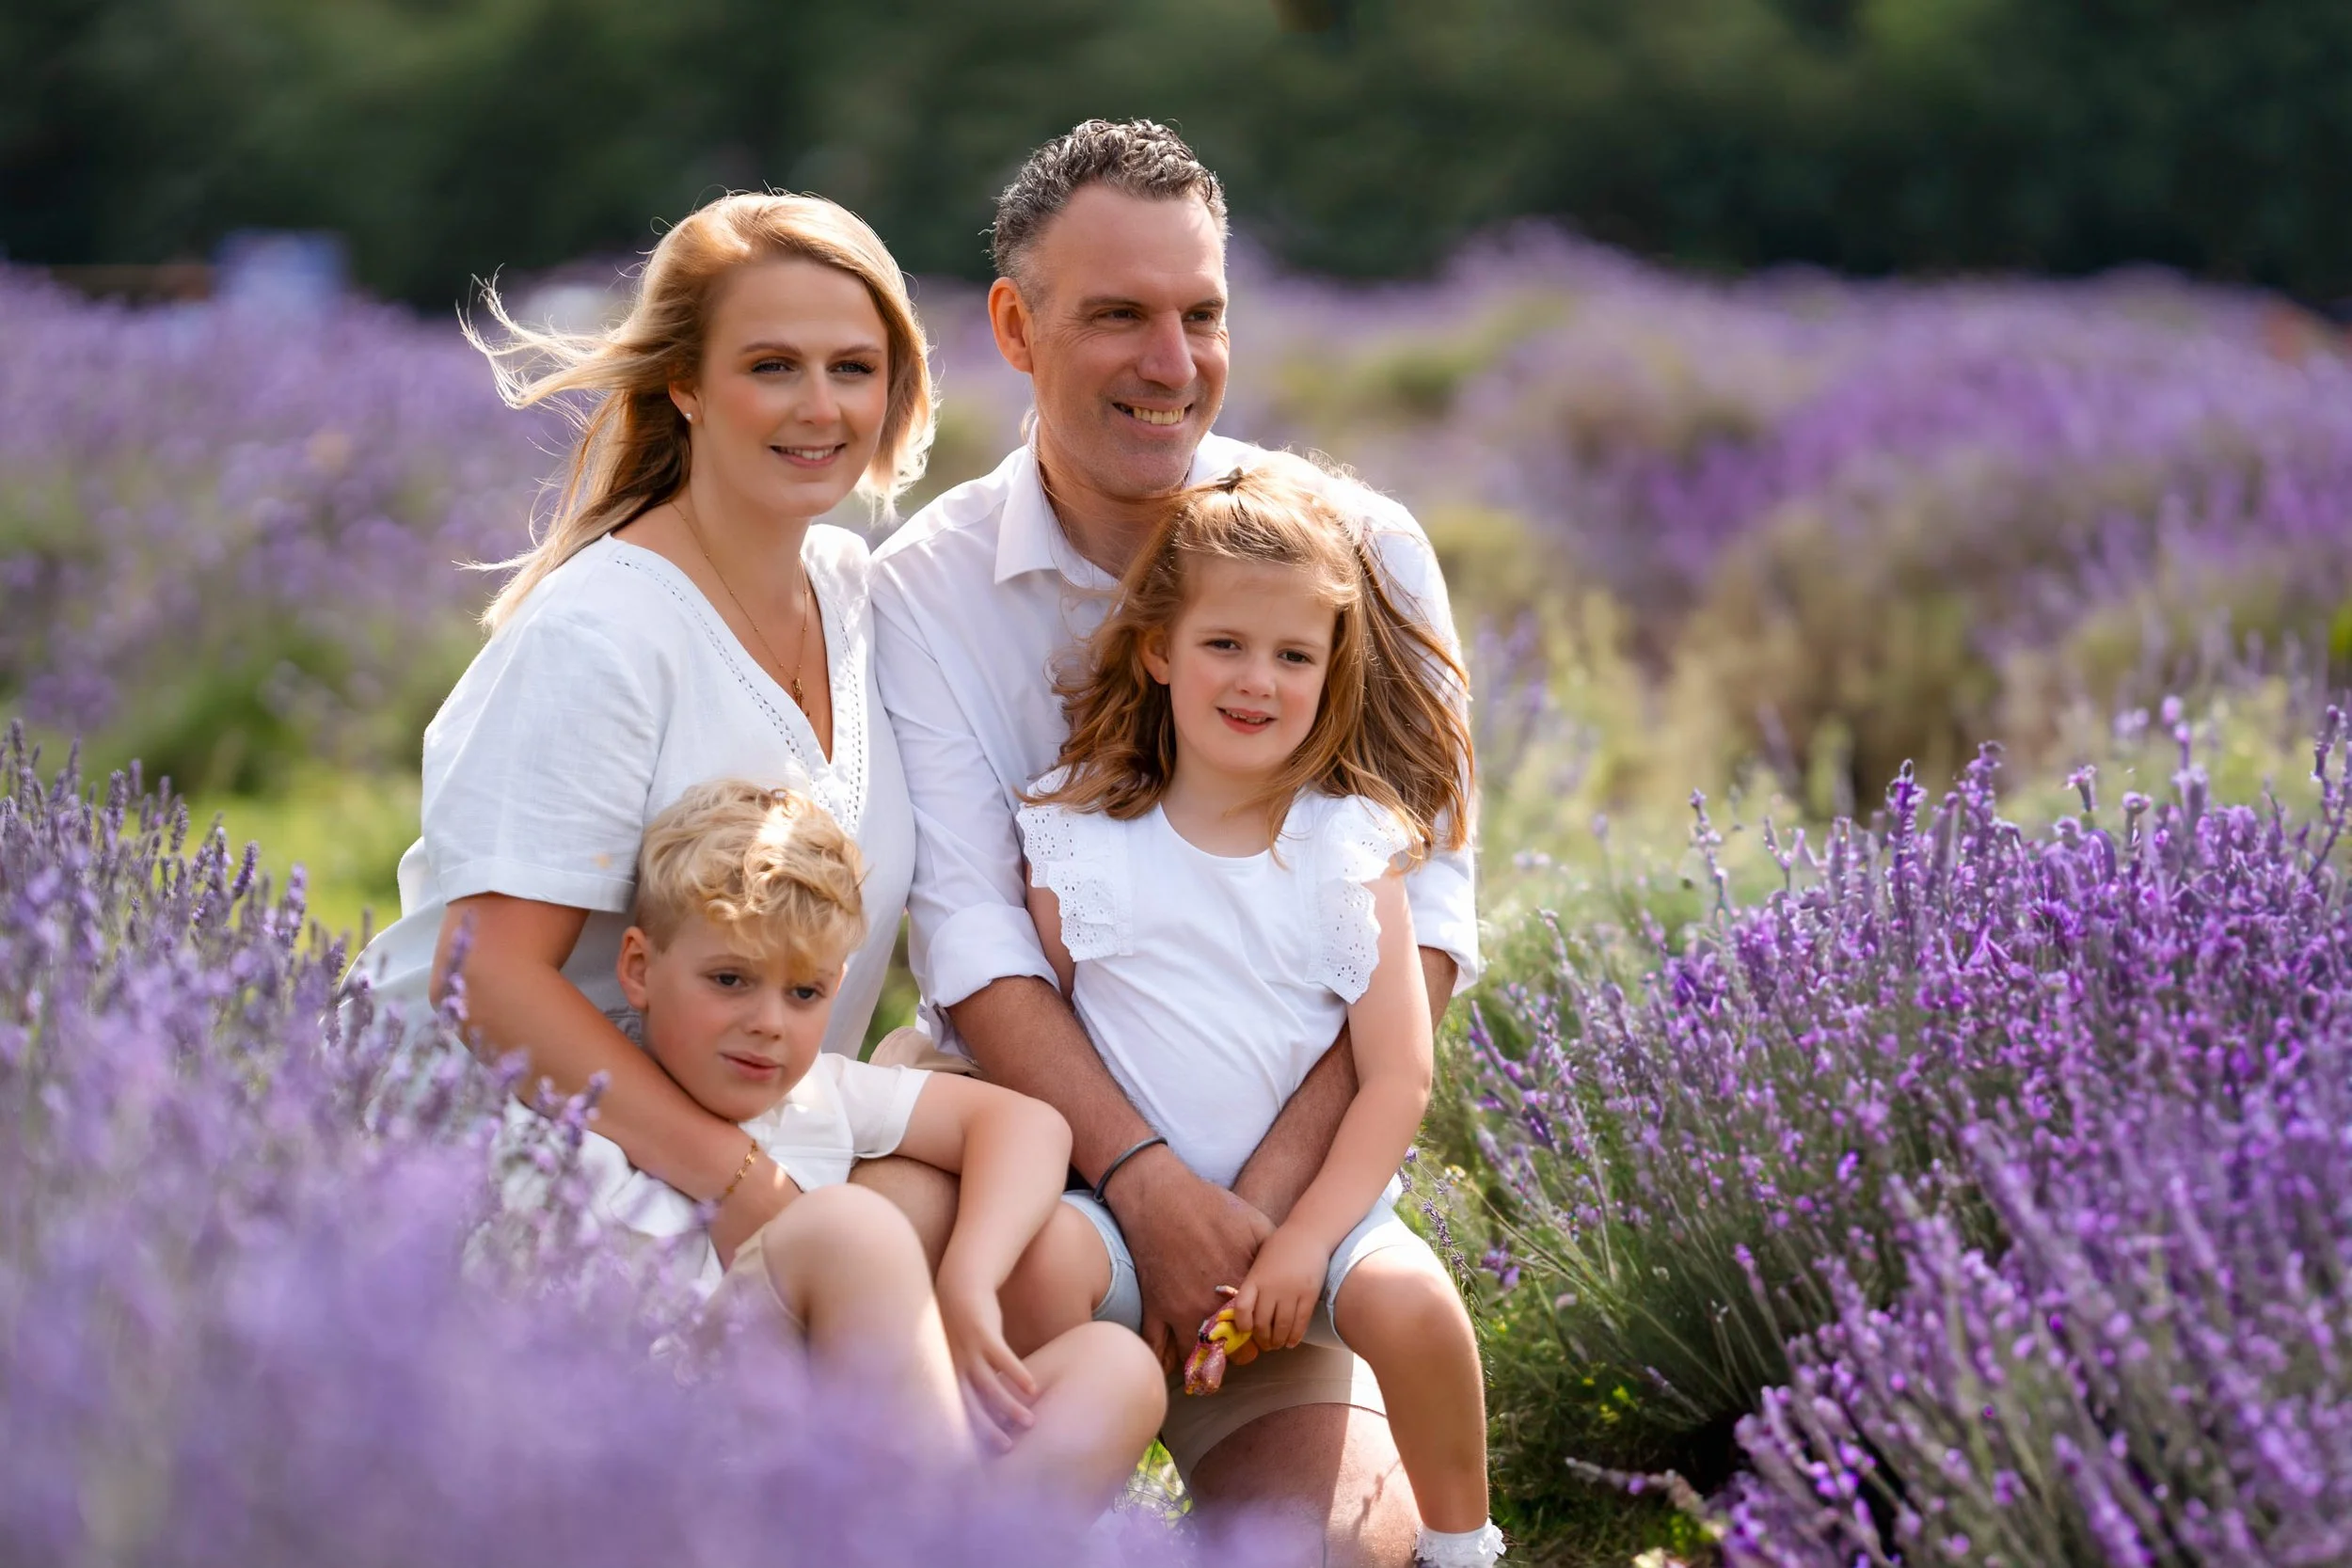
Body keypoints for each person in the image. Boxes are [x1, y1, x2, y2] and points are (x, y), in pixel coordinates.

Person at [872, 121, 1482, 1564]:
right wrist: (1147, 1185)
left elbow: (1430, 920)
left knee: (1336, 1546)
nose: (1173, 360)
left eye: (1201, 313)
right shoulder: (926, 588)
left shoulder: (1363, 554)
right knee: (887, 1251)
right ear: (1017, 328)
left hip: (1279, 1209)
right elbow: (975, 944)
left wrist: (1255, 1220)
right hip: (1042, 1182)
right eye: (1118, 316)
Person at [354, 191, 951, 1273]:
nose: (819, 405)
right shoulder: (604, 628)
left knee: (1013, 1220)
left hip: (760, 1135)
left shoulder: (858, 595)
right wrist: (739, 1186)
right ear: (685, 383)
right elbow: (487, 975)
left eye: (853, 368)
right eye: (771, 365)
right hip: (554, 1146)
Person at [1007, 462, 1502, 1566]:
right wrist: (1123, 1215)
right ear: (1157, 650)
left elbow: (1395, 1078)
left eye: (1293, 655)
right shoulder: (1076, 839)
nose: (1256, 680)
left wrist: (1304, 1245)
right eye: (1224, 643)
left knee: (1415, 1304)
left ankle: (1464, 1546)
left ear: (1331, 675)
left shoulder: (1347, 846)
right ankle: (1046, 1509)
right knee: (1040, 1259)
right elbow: (1048, 1052)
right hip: (1129, 1221)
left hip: (1318, 1225)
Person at [508, 779, 1163, 1506]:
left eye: (804, 993)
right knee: (850, 1228)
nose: (769, 1022)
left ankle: (941, 1538)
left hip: (831, 1464)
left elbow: (1028, 1125)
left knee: (1118, 1368)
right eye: (730, 978)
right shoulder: (575, 1113)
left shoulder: (818, 1094)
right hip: (667, 1455)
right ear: (639, 968)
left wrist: (968, 1278)